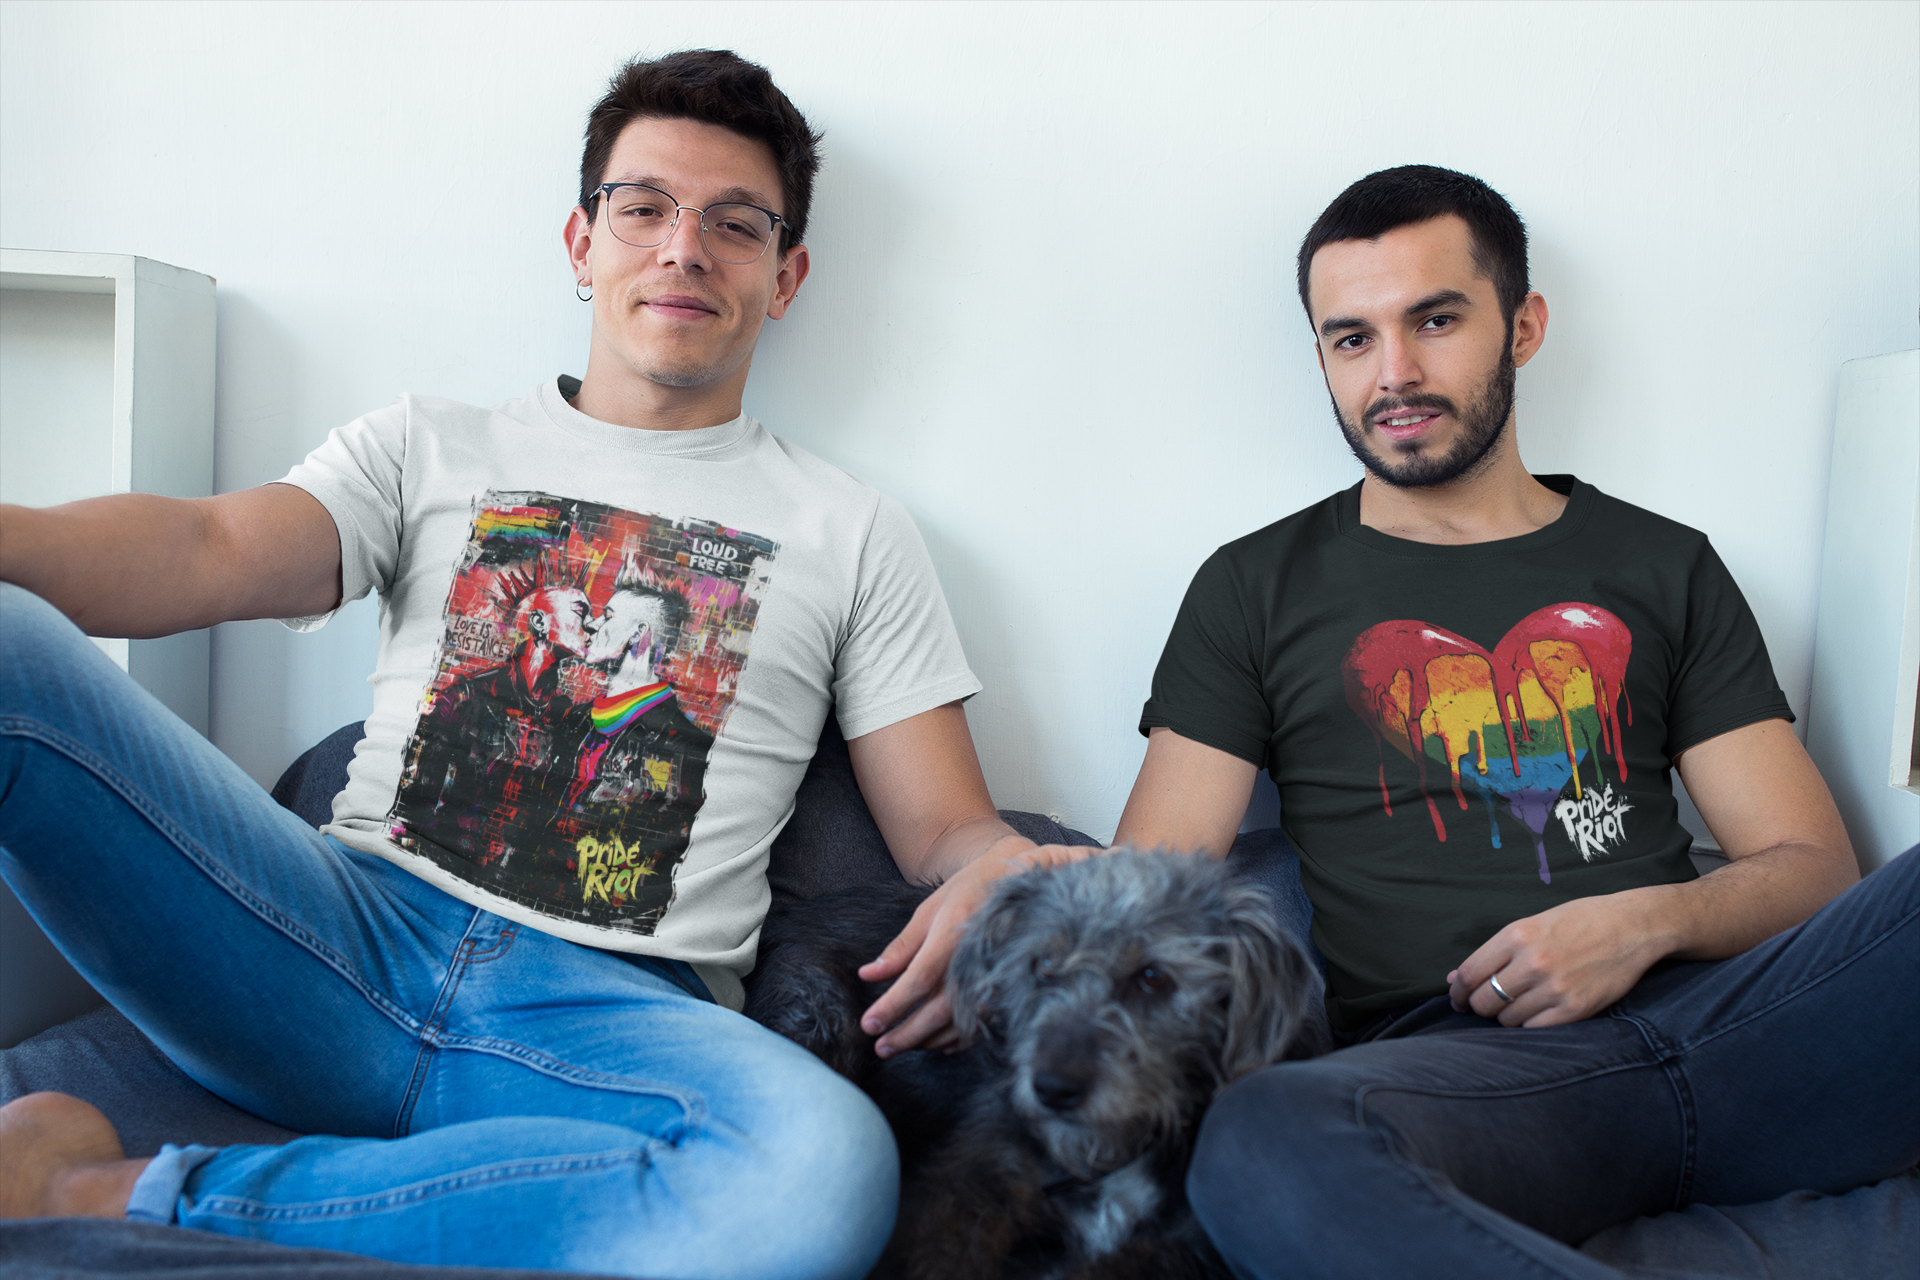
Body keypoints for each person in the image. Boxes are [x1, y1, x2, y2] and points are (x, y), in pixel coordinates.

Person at [0, 49, 1060, 1280]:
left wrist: (1011, 871)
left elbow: (949, 827)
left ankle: (107, 1189)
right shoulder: (427, 443)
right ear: (582, 239)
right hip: (329, 947)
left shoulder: (852, 529)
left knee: (823, 1172)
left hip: (610, 1021)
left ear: (788, 275)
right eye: (645, 207)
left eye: (736, 222)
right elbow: (211, 542)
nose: (683, 248)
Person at [1113, 164, 1919, 1278]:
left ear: (1523, 324)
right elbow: (1143, 897)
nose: (1393, 372)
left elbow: (1814, 865)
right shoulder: (1255, 585)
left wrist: (1642, 921)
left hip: (1740, 1032)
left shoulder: (1660, 561)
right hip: (1473, 1084)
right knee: (1261, 1139)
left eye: (1434, 320)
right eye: (1350, 339)